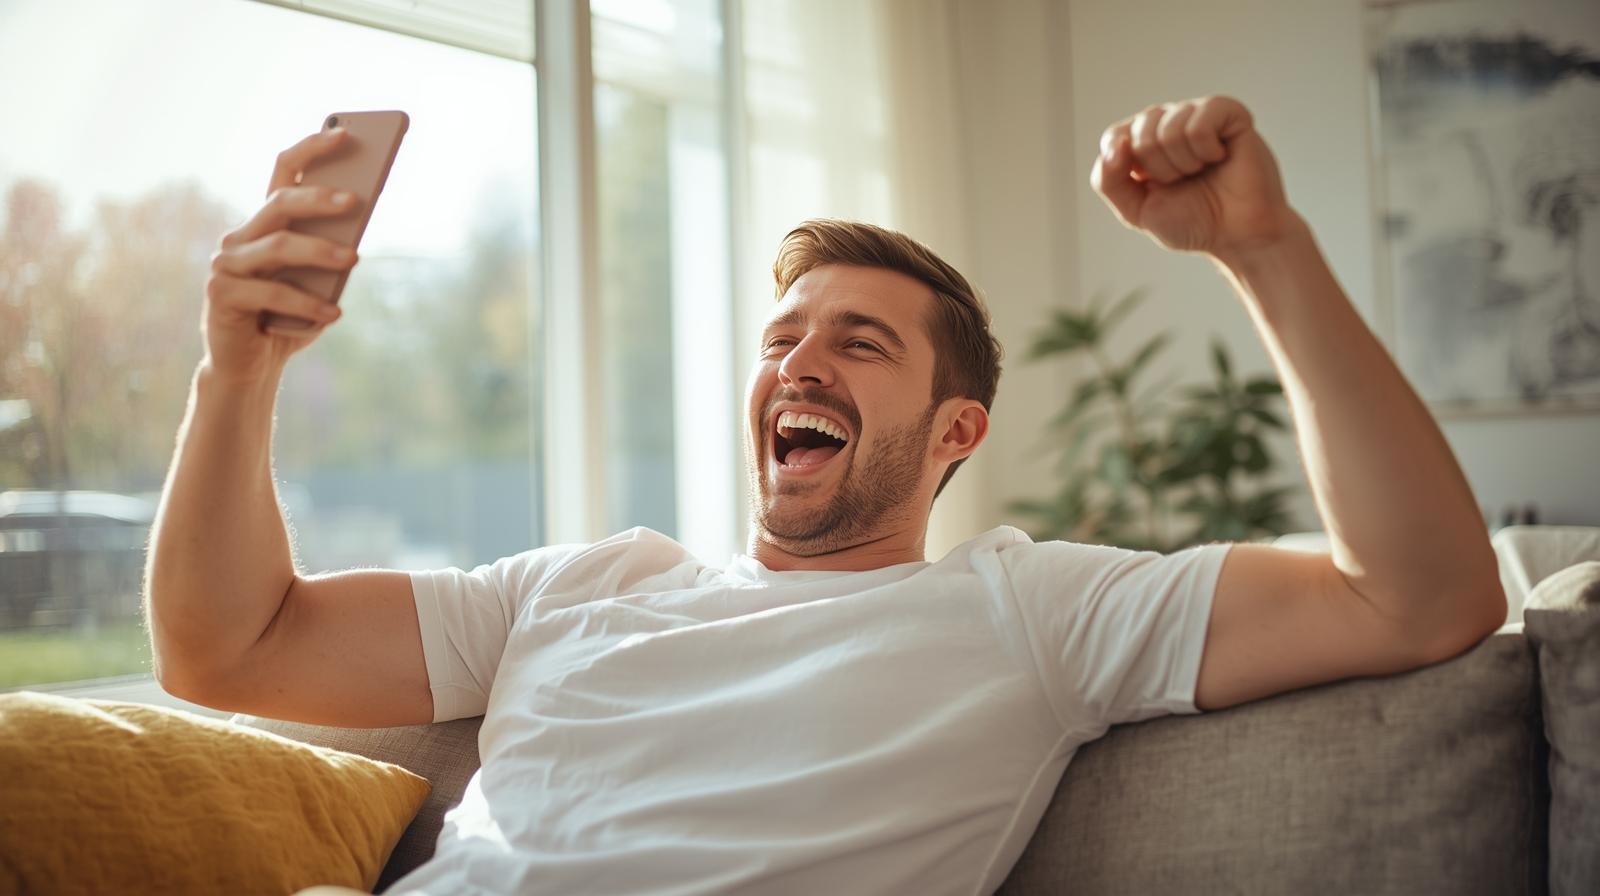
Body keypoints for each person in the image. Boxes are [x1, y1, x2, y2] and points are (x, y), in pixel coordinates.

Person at [145, 95, 1506, 895]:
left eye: (861, 343)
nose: (799, 359)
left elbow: (1424, 595)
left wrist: (1263, 252)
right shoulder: (584, 585)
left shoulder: (1030, 611)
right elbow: (228, 649)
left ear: (955, 427)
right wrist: (237, 372)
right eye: (783, 338)